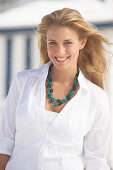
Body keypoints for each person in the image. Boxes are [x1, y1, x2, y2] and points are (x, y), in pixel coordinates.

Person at [0, 8, 111, 170]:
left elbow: (96, 161)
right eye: (53, 43)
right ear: (45, 42)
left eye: (68, 42)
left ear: (82, 42)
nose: (59, 51)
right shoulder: (23, 82)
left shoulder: (96, 97)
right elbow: (5, 141)